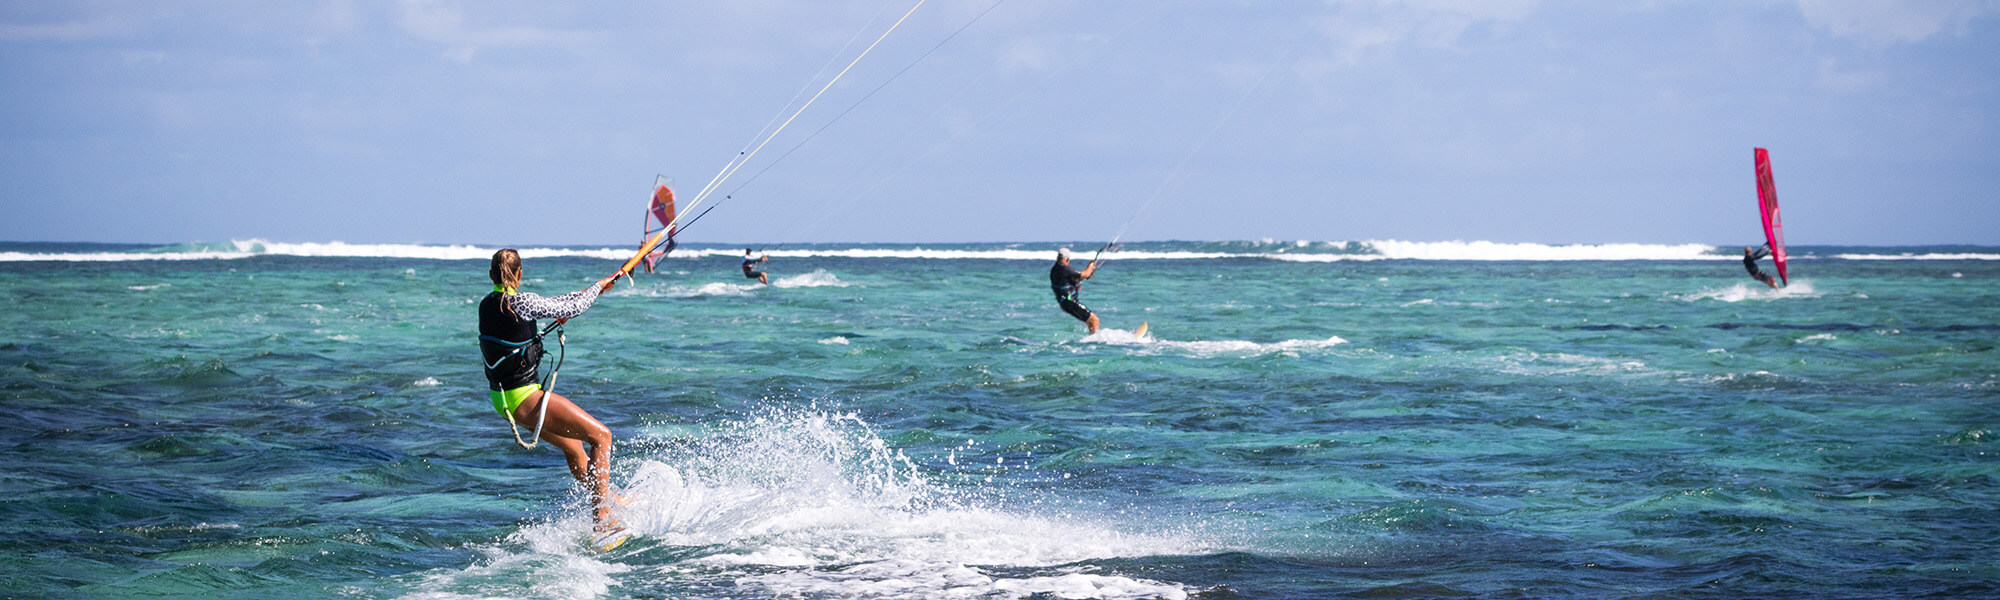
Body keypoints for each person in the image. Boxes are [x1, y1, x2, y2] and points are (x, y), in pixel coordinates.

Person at [479, 249, 624, 533]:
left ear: (491, 275)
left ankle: (611, 500)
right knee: (602, 437)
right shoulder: (522, 303)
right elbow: (566, 308)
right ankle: (602, 518)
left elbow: (556, 305)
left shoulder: (487, 304)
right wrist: (596, 288)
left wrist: (595, 289)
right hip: (525, 399)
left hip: (503, 400)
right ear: (519, 273)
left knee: (576, 450)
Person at [1050, 247, 1101, 333]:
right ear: (1067, 259)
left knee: (1090, 323)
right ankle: (1095, 343)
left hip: (1065, 303)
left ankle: (1093, 339)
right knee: (1094, 320)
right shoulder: (1064, 269)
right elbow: (1085, 273)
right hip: (1070, 302)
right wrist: (1091, 265)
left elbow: (1069, 280)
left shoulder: (1055, 269)